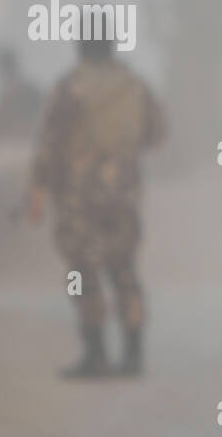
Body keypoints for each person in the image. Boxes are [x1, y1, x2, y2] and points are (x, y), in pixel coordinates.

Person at [27, 27, 166, 377]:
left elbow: (49, 144)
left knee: (83, 274)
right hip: (122, 197)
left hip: (79, 200)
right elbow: (156, 133)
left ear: (80, 47)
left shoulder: (69, 87)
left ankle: (96, 355)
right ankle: (133, 356)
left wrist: (38, 189)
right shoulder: (135, 86)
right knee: (124, 271)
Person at [0, 46, 44, 150]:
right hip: (9, 151)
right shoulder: (3, 99)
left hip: (27, 148)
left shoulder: (30, 91)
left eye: (6, 68)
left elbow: (43, 119)